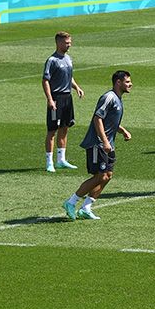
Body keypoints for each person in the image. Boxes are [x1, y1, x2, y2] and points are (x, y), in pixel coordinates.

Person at [63, 70, 132, 221]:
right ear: (118, 82)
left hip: (108, 144)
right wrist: (105, 141)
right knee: (99, 176)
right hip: (98, 144)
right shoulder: (109, 97)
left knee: (107, 176)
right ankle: (70, 202)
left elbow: (109, 121)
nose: (130, 84)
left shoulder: (118, 99)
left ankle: (86, 207)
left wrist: (122, 130)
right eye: (127, 82)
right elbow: (97, 119)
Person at [42, 31, 85, 172]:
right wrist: (50, 99)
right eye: (66, 43)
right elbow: (45, 81)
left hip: (67, 97)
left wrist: (77, 87)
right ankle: (49, 162)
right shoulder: (52, 60)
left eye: (70, 42)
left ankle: (61, 160)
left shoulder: (68, 59)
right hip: (56, 97)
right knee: (52, 130)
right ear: (58, 43)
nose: (69, 45)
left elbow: (69, 77)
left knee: (65, 127)